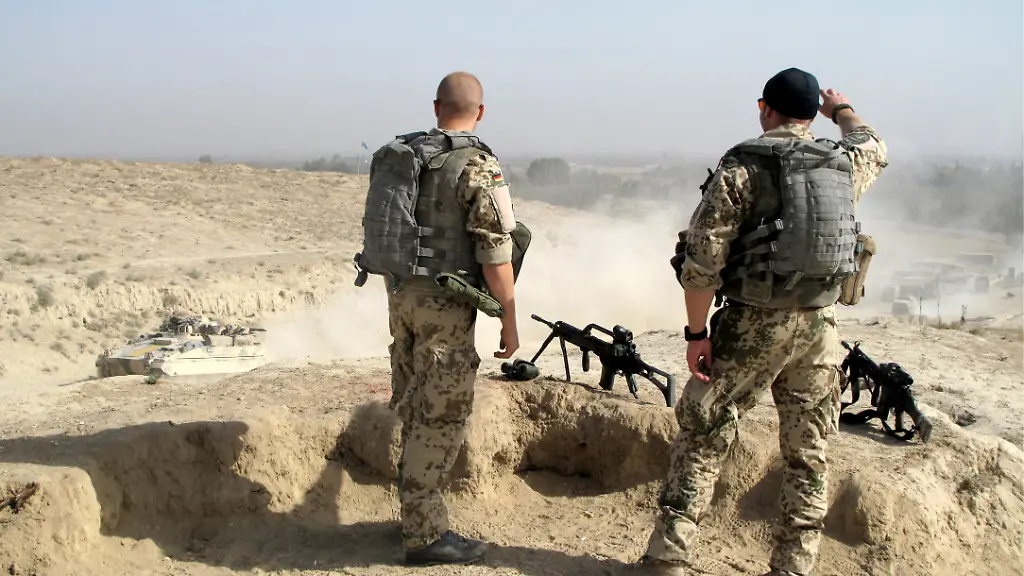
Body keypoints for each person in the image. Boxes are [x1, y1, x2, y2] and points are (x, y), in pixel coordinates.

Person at [642, 67, 889, 576]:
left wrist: (696, 334)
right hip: (820, 329)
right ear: (812, 114)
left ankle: (668, 558)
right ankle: (794, 566)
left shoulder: (744, 167)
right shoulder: (842, 163)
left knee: (704, 434)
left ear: (765, 109)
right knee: (808, 452)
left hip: (753, 324)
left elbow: (702, 262)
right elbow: (873, 143)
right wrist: (841, 110)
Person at [356, 71, 522, 566]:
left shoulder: (404, 155)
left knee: (414, 403)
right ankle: (425, 535)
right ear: (481, 112)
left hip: (401, 296)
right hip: (445, 308)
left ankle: (414, 516)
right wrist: (509, 317)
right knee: (442, 414)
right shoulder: (477, 165)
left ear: (435, 107)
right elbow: (495, 253)